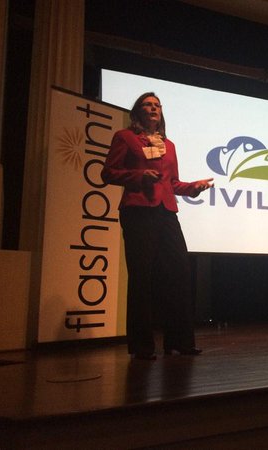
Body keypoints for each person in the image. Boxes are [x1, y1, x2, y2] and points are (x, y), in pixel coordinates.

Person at [101, 92, 213, 360]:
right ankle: (141, 347)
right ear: (138, 111)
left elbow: (172, 183)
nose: (153, 108)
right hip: (138, 211)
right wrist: (139, 176)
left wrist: (193, 188)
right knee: (141, 278)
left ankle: (179, 342)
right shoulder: (125, 137)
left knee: (179, 273)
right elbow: (108, 173)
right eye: (147, 105)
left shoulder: (169, 145)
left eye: (157, 105)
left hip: (166, 212)